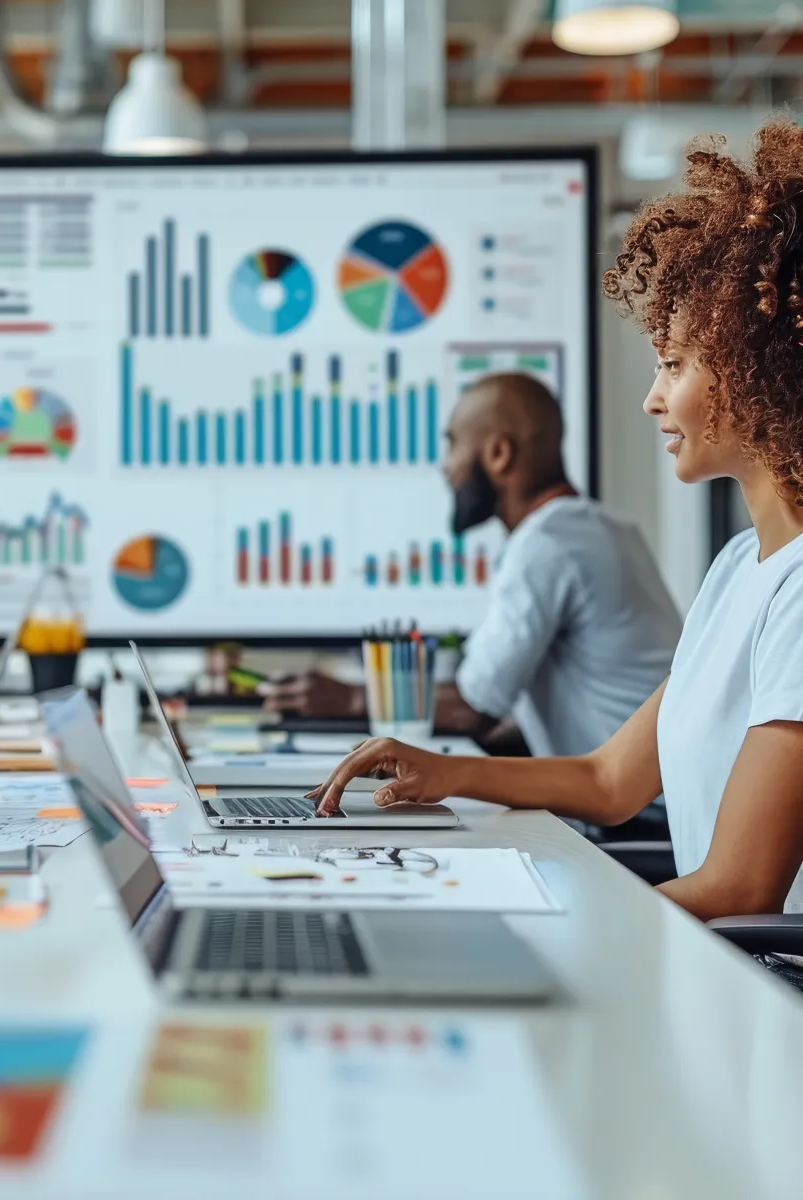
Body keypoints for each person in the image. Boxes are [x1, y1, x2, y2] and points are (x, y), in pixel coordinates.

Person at [312, 122, 803, 920]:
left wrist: (549, 925)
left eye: (673, 365)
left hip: (757, 980)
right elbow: (610, 780)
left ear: (757, 374)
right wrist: (446, 771)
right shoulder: (738, 569)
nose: (652, 399)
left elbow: (741, 891)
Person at [266, 372, 681, 760]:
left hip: (637, 810)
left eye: (452, 445)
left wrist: (346, 698)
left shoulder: (547, 544)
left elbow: (472, 709)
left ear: (498, 454)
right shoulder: (604, 529)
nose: (446, 467)